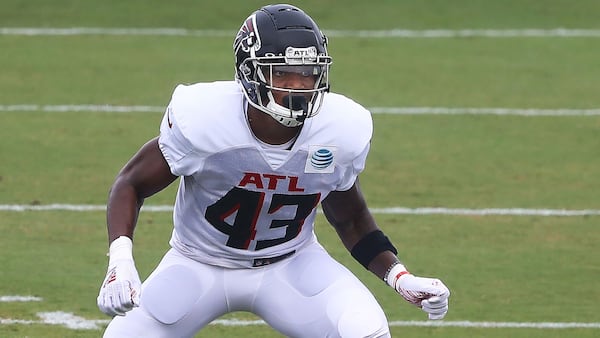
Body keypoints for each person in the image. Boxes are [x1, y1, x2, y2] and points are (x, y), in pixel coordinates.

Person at [97, 4, 450, 337]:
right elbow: (131, 183)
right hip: (196, 263)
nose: (297, 84)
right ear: (249, 72)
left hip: (291, 265)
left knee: (366, 327)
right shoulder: (205, 119)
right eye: (282, 72)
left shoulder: (341, 129)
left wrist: (399, 276)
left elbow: (351, 218)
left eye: (308, 73)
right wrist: (121, 261)